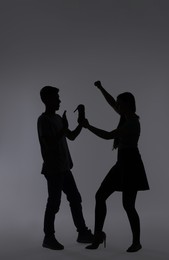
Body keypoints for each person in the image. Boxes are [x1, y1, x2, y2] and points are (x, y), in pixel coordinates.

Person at [83, 81, 149, 252]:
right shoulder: (125, 116)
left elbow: (108, 135)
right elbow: (111, 102)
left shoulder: (132, 122)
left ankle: (137, 242)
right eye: (118, 103)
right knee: (100, 196)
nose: (117, 105)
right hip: (122, 163)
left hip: (131, 164)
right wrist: (100, 88)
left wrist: (88, 126)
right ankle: (98, 235)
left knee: (128, 205)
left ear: (128, 104)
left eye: (121, 103)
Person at [37, 86, 93, 250]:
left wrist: (80, 124)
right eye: (56, 98)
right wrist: (63, 129)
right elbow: (48, 146)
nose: (59, 100)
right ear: (47, 100)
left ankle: (82, 232)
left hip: (64, 168)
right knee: (54, 203)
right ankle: (48, 237)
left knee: (75, 198)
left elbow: (72, 136)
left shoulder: (58, 119)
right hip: (53, 169)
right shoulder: (43, 120)